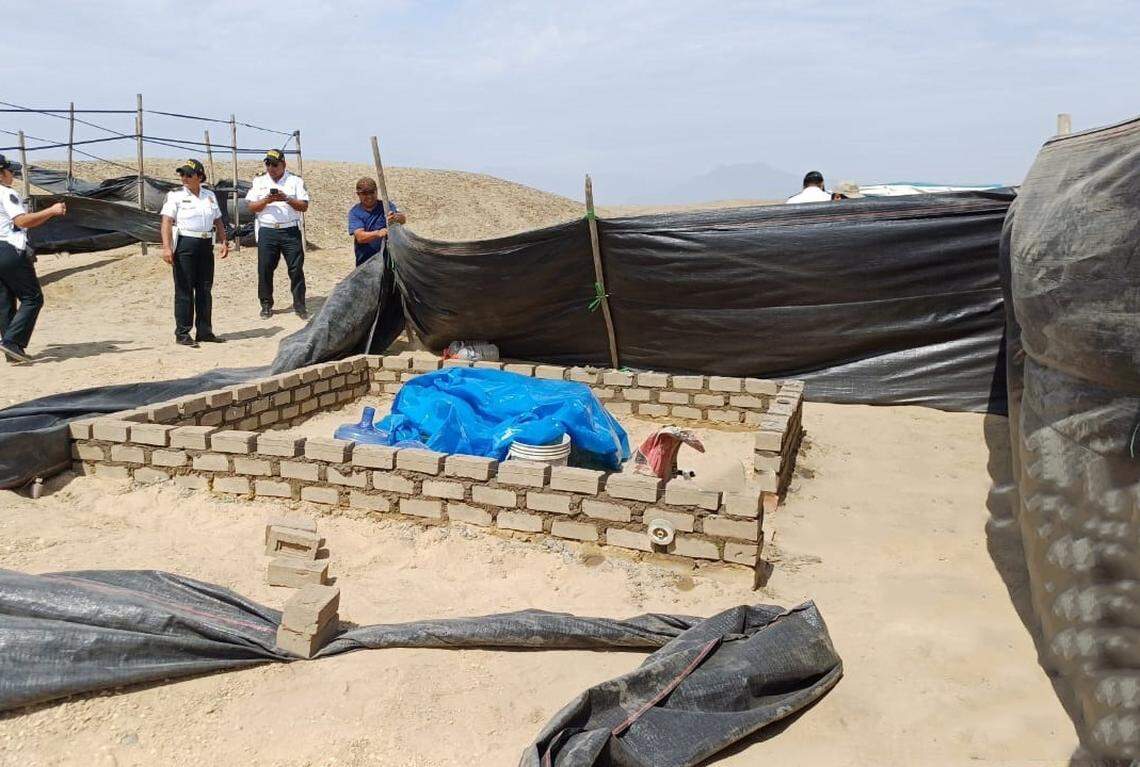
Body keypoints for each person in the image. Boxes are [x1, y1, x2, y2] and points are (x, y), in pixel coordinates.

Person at [0, 153, 67, 364]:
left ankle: (13, 350)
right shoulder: (5, 193)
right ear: (1, 173)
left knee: (4, 301)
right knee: (32, 298)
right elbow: (22, 221)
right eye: (9, 171)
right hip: (9, 248)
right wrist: (51, 211)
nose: (12, 174)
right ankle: (12, 342)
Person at [160, 159, 230, 348]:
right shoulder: (175, 196)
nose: (184, 178)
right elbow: (166, 222)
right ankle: (182, 333)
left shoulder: (209, 196)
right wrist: (166, 247)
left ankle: (205, 331)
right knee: (184, 289)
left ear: (200, 176)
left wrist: (224, 241)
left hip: (206, 243)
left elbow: (218, 220)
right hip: (186, 243)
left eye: (189, 174)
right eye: (182, 174)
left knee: (205, 289)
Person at [245, 148, 310, 319]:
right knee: (265, 269)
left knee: (296, 269)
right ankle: (266, 305)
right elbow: (251, 207)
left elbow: (304, 206)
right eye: (268, 164)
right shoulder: (259, 181)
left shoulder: (295, 181)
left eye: (275, 164)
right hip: (267, 230)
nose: (271, 168)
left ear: (283, 164)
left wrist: (286, 199)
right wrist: (267, 200)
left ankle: (299, 305)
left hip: (290, 230)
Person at [347, 176, 406, 267]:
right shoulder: (355, 213)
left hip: (389, 260)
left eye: (372, 192)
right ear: (358, 194)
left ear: (376, 191)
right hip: (366, 263)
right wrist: (378, 234)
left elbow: (403, 220)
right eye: (365, 193)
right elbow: (360, 237)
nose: (369, 196)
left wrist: (396, 217)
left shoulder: (386, 205)